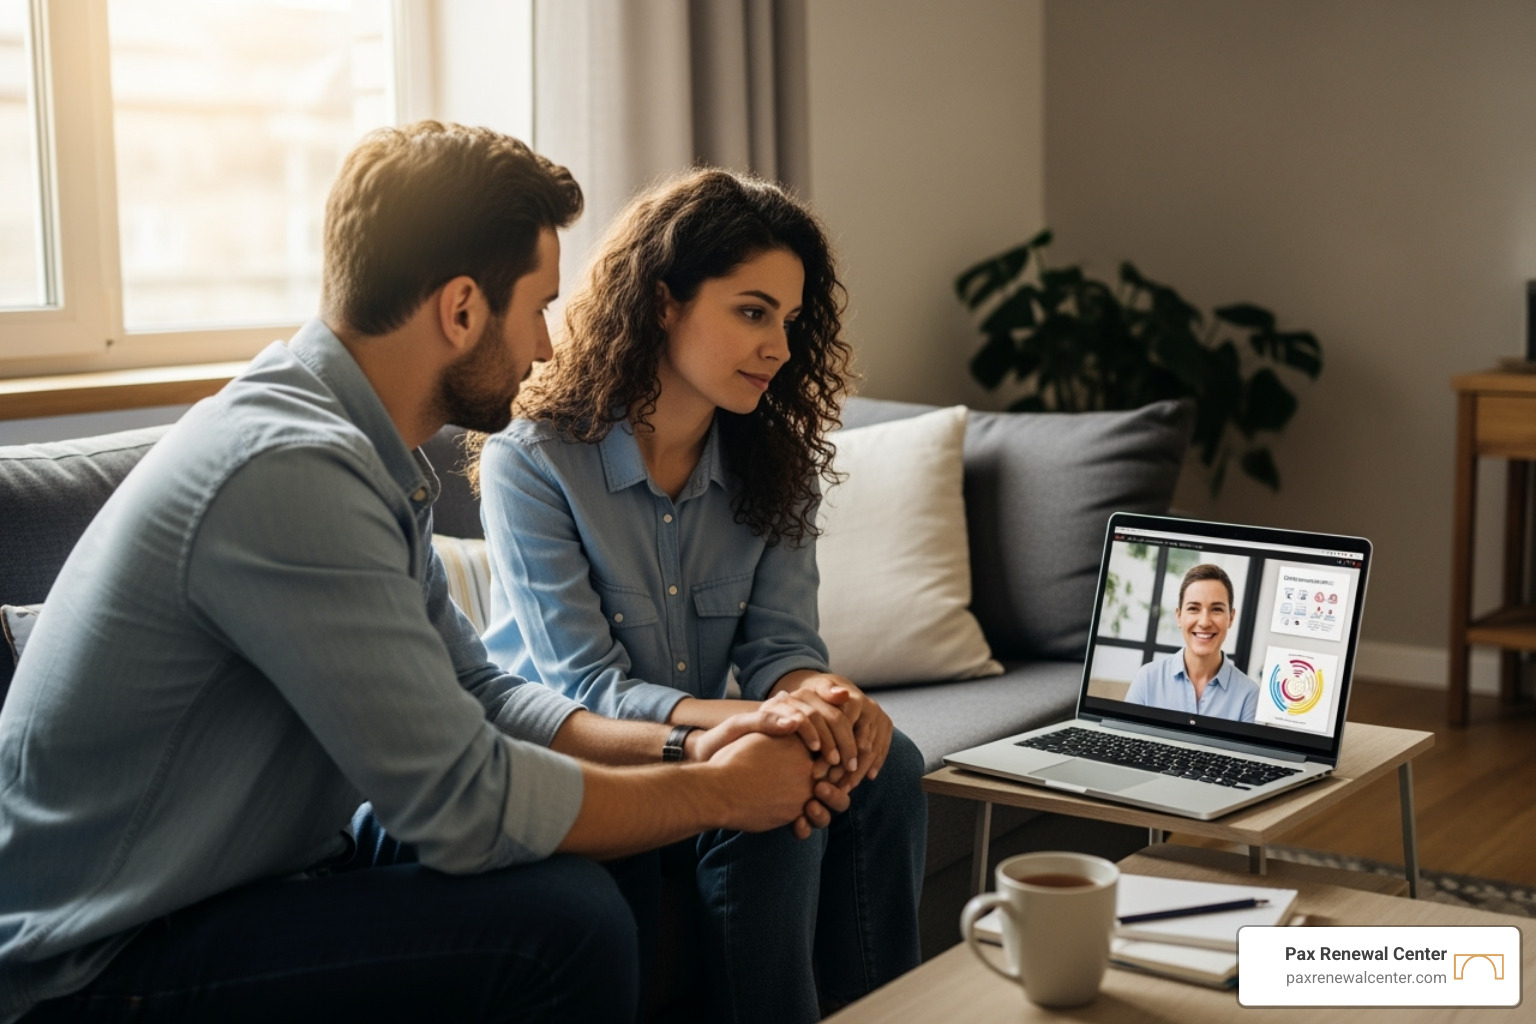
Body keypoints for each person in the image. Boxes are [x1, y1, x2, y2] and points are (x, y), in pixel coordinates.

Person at [0, 123, 846, 1024]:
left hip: (248, 885)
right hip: (99, 958)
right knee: (566, 927)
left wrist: (689, 744)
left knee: (590, 863)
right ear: (461, 309)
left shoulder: (360, 452)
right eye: (538, 309)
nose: (550, 348)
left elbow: (481, 690)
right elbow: (465, 803)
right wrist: (719, 791)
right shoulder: (287, 470)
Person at [473, 167, 926, 1024]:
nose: (780, 348)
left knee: (881, 758)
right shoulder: (531, 460)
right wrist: (767, 723)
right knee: (781, 770)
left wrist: (825, 699)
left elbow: (782, 649)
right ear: (662, 303)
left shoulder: (777, 463)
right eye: (753, 311)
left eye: (790, 322)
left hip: (692, 733)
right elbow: (586, 689)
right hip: (584, 756)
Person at [1124, 563, 1259, 722]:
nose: (1204, 622)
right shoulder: (1147, 679)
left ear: (1231, 617)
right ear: (1179, 616)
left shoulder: (1249, 695)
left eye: (1216, 609)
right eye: (1194, 608)